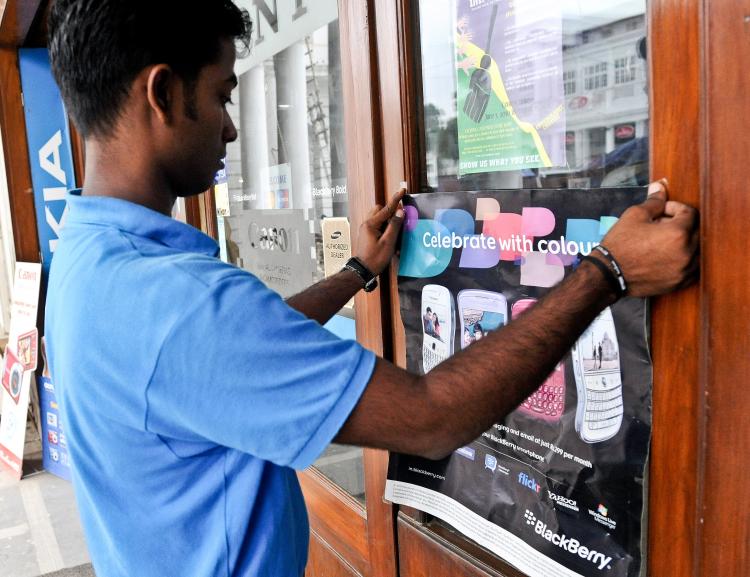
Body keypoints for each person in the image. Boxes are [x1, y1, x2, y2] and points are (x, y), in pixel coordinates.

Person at [44, 2, 699, 576]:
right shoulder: (175, 303)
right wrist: (606, 271)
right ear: (160, 93)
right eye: (221, 95)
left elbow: (234, 353)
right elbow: (431, 416)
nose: (231, 128)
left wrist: (356, 275)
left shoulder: (89, 257)